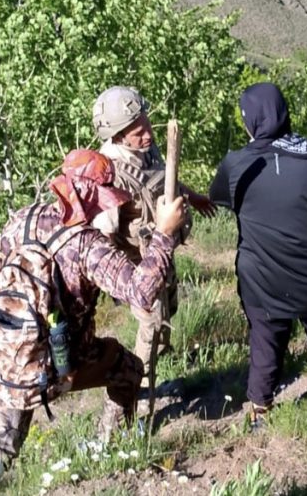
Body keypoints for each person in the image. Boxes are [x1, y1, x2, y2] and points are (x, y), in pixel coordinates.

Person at [0, 149, 186, 490]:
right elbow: (141, 292)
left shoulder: (23, 218)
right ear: (89, 196)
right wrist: (163, 235)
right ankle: (108, 446)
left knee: (19, 383)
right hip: (62, 362)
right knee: (127, 368)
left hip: (7, 354)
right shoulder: (87, 245)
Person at [209, 82, 307, 429]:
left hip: (263, 282)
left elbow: (218, 197)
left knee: (265, 340)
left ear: (249, 121)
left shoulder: (236, 165)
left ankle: (260, 410)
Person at [91, 86, 216, 419]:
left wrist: (193, 197)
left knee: (162, 328)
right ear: (118, 135)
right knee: (151, 327)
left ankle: (145, 386)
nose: (147, 133)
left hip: (162, 257)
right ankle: (127, 408)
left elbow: (163, 181)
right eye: (137, 131)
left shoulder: (146, 151)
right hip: (138, 269)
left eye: (147, 123)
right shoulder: (109, 173)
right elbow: (100, 235)